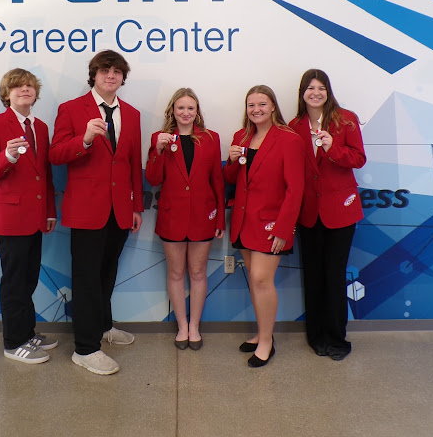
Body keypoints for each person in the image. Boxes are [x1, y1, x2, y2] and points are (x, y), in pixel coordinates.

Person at [49, 50, 143, 376]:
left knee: (107, 274)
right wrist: (85, 140)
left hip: (119, 211)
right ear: (94, 75)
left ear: (122, 77)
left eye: (117, 72)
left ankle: (103, 327)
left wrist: (136, 207)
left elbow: (132, 164)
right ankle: (86, 349)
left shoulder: (131, 113)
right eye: (105, 71)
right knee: (87, 279)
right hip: (86, 210)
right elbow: (56, 154)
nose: (111, 76)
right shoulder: (71, 109)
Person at [0, 68, 58, 364]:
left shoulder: (42, 128)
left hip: (36, 217)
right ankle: (13, 343)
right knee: (14, 282)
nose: (25, 90)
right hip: (11, 218)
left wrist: (50, 210)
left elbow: (45, 175)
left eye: (29, 86)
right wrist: (8, 157)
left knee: (29, 278)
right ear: (7, 94)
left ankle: (26, 332)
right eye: (18, 87)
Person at [288, 69, 366, 361]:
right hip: (307, 212)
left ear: (328, 91)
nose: (316, 92)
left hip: (340, 211)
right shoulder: (294, 126)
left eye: (321, 87)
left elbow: (358, 158)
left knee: (334, 275)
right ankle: (315, 336)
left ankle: (336, 338)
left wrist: (334, 148)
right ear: (302, 93)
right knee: (313, 276)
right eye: (310, 87)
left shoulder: (345, 119)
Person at [224, 85, 303, 367]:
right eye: (251, 105)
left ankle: (268, 342)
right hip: (244, 222)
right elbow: (233, 177)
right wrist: (231, 160)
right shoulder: (241, 136)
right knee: (254, 282)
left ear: (273, 107)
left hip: (271, 224)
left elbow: (296, 189)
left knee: (261, 279)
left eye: (262, 104)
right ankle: (261, 333)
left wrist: (284, 229)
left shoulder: (289, 139)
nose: (256, 110)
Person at [145, 88, 225, 351]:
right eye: (181, 108)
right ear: (173, 111)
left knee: (198, 272)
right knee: (177, 272)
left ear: (197, 111)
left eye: (191, 108)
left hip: (204, 216)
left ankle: (195, 326)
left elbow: (217, 180)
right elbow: (154, 179)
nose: (186, 113)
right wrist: (157, 150)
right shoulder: (161, 138)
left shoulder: (211, 139)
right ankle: (181, 326)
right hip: (172, 216)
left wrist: (220, 220)